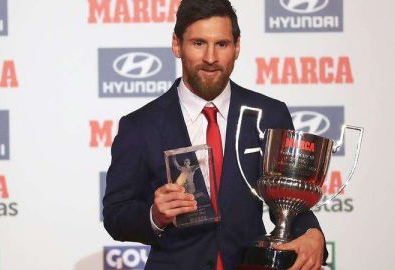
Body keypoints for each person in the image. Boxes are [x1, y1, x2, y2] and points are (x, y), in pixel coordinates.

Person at [103, 0, 328, 269]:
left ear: (237, 47)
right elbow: (116, 215)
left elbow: (290, 198)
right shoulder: (140, 126)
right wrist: (155, 215)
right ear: (177, 45)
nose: (210, 57)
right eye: (198, 43)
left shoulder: (269, 113)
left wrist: (313, 234)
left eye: (221, 44)